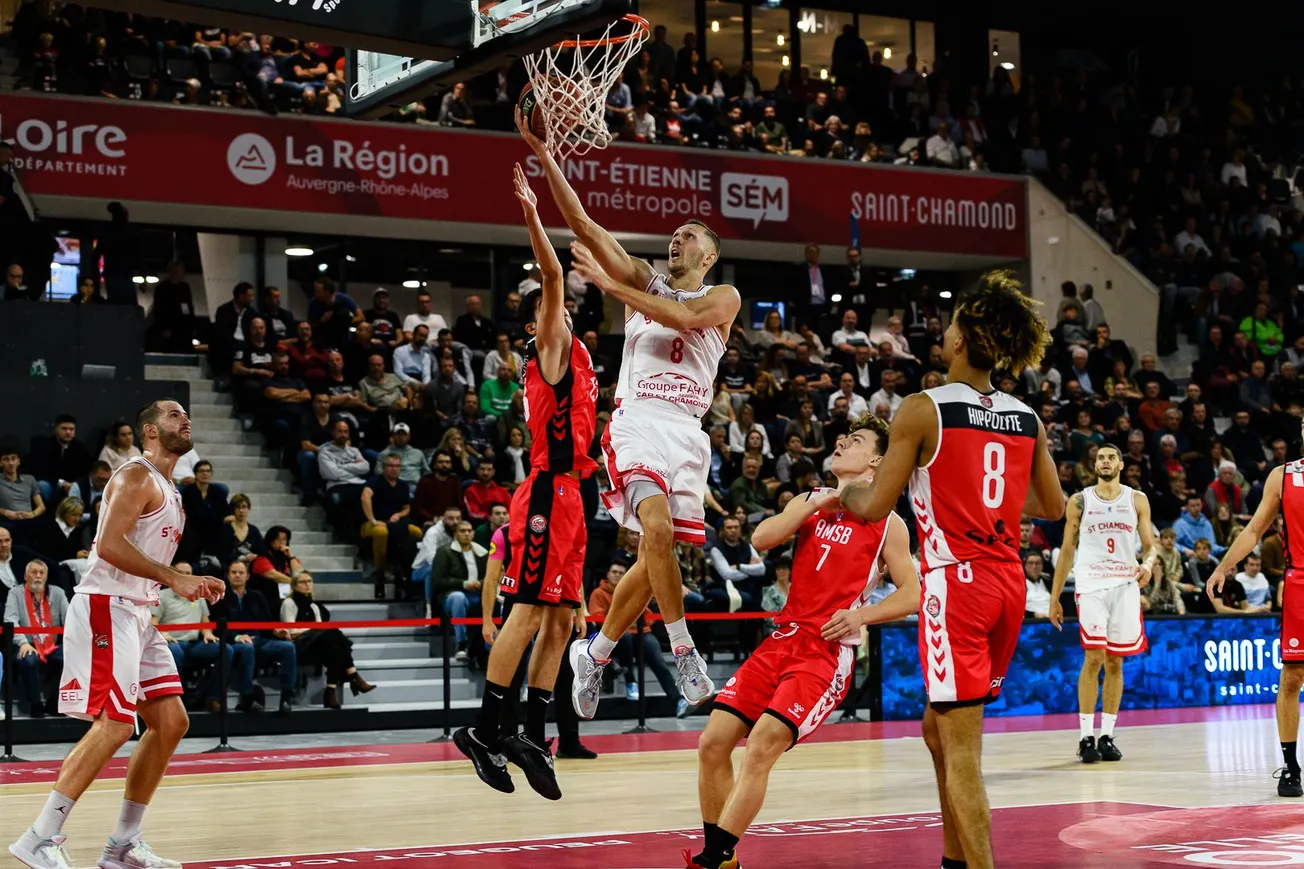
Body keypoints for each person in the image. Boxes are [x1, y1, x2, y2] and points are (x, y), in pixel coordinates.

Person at [524, 101, 742, 719]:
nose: (678, 238)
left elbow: (684, 317)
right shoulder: (647, 279)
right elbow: (585, 225)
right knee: (657, 534)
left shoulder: (722, 295)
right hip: (639, 420)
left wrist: (612, 288)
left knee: (657, 554)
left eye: (690, 235)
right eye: (674, 235)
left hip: (689, 432)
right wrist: (545, 155)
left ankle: (594, 654)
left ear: (709, 255)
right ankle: (685, 654)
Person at [838, 272, 1064, 869]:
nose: (945, 331)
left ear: (962, 340)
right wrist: (993, 500)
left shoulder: (922, 409)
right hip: (1009, 583)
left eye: (952, 324)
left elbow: (874, 508)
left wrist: (840, 491)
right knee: (938, 731)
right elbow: (1054, 507)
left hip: (956, 582)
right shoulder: (1025, 416)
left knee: (963, 752)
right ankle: (952, 859)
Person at [690, 414, 920, 869]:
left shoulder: (889, 523)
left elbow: (912, 594)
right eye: (840, 437)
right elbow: (761, 538)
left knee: (761, 745)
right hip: (782, 639)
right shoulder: (813, 500)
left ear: (876, 459)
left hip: (824, 651)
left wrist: (861, 613)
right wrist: (812, 505)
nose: (840, 443)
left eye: (853, 440)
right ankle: (725, 858)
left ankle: (711, 860)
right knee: (713, 743)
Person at [9, 400, 225, 869]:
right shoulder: (135, 475)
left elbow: (139, 554)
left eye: (186, 414)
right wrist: (175, 578)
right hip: (108, 607)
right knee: (115, 723)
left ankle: (122, 845)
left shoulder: (172, 489)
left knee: (171, 723)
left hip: (139, 614)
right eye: (172, 415)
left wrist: (183, 580)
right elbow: (106, 547)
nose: (184, 419)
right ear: (149, 430)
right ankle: (39, 837)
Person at [454, 164, 597, 802]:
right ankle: (486, 730)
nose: (558, 312)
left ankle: (532, 732)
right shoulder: (551, 350)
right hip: (544, 490)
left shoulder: (582, 356)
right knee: (530, 609)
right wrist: (533, 212)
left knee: (563, 618)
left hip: (574, 495)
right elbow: (555, 276)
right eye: (549, 310)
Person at [1205, 435, 1304, 798]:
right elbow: (1253, 529)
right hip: (1300, 582)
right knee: (1292, 677)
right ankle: (1291, 766)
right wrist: (1223, 567)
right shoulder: (1283, 475)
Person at [1048, 444, 1158, 764]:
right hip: (1091, 584)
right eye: (1100, 458)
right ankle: (1085, 737)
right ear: (1094, 464)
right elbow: (1068, 549)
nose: (1105, 462)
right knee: (1094, 657)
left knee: (1115, 662)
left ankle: (1107, 735)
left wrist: (1148, 565)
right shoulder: (1080, 501)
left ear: (1121, 464)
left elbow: (1150, 547)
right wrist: (1055, 597)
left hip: (1125, 584)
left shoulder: (1137, 499)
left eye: (1111, 458)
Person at [280, 572, 374, 709]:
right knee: (333, 634)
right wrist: (312, 630)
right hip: (298, 644)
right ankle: (352, 677)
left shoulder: (314, 606)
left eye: (310, 581)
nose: (307, 584)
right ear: (294, 586)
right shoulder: (289, 603)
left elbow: (320, 629)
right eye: (303, 582)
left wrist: (314, 630)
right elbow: (291, 631)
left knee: (334, 647)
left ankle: (330, 691)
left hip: (315, 643)